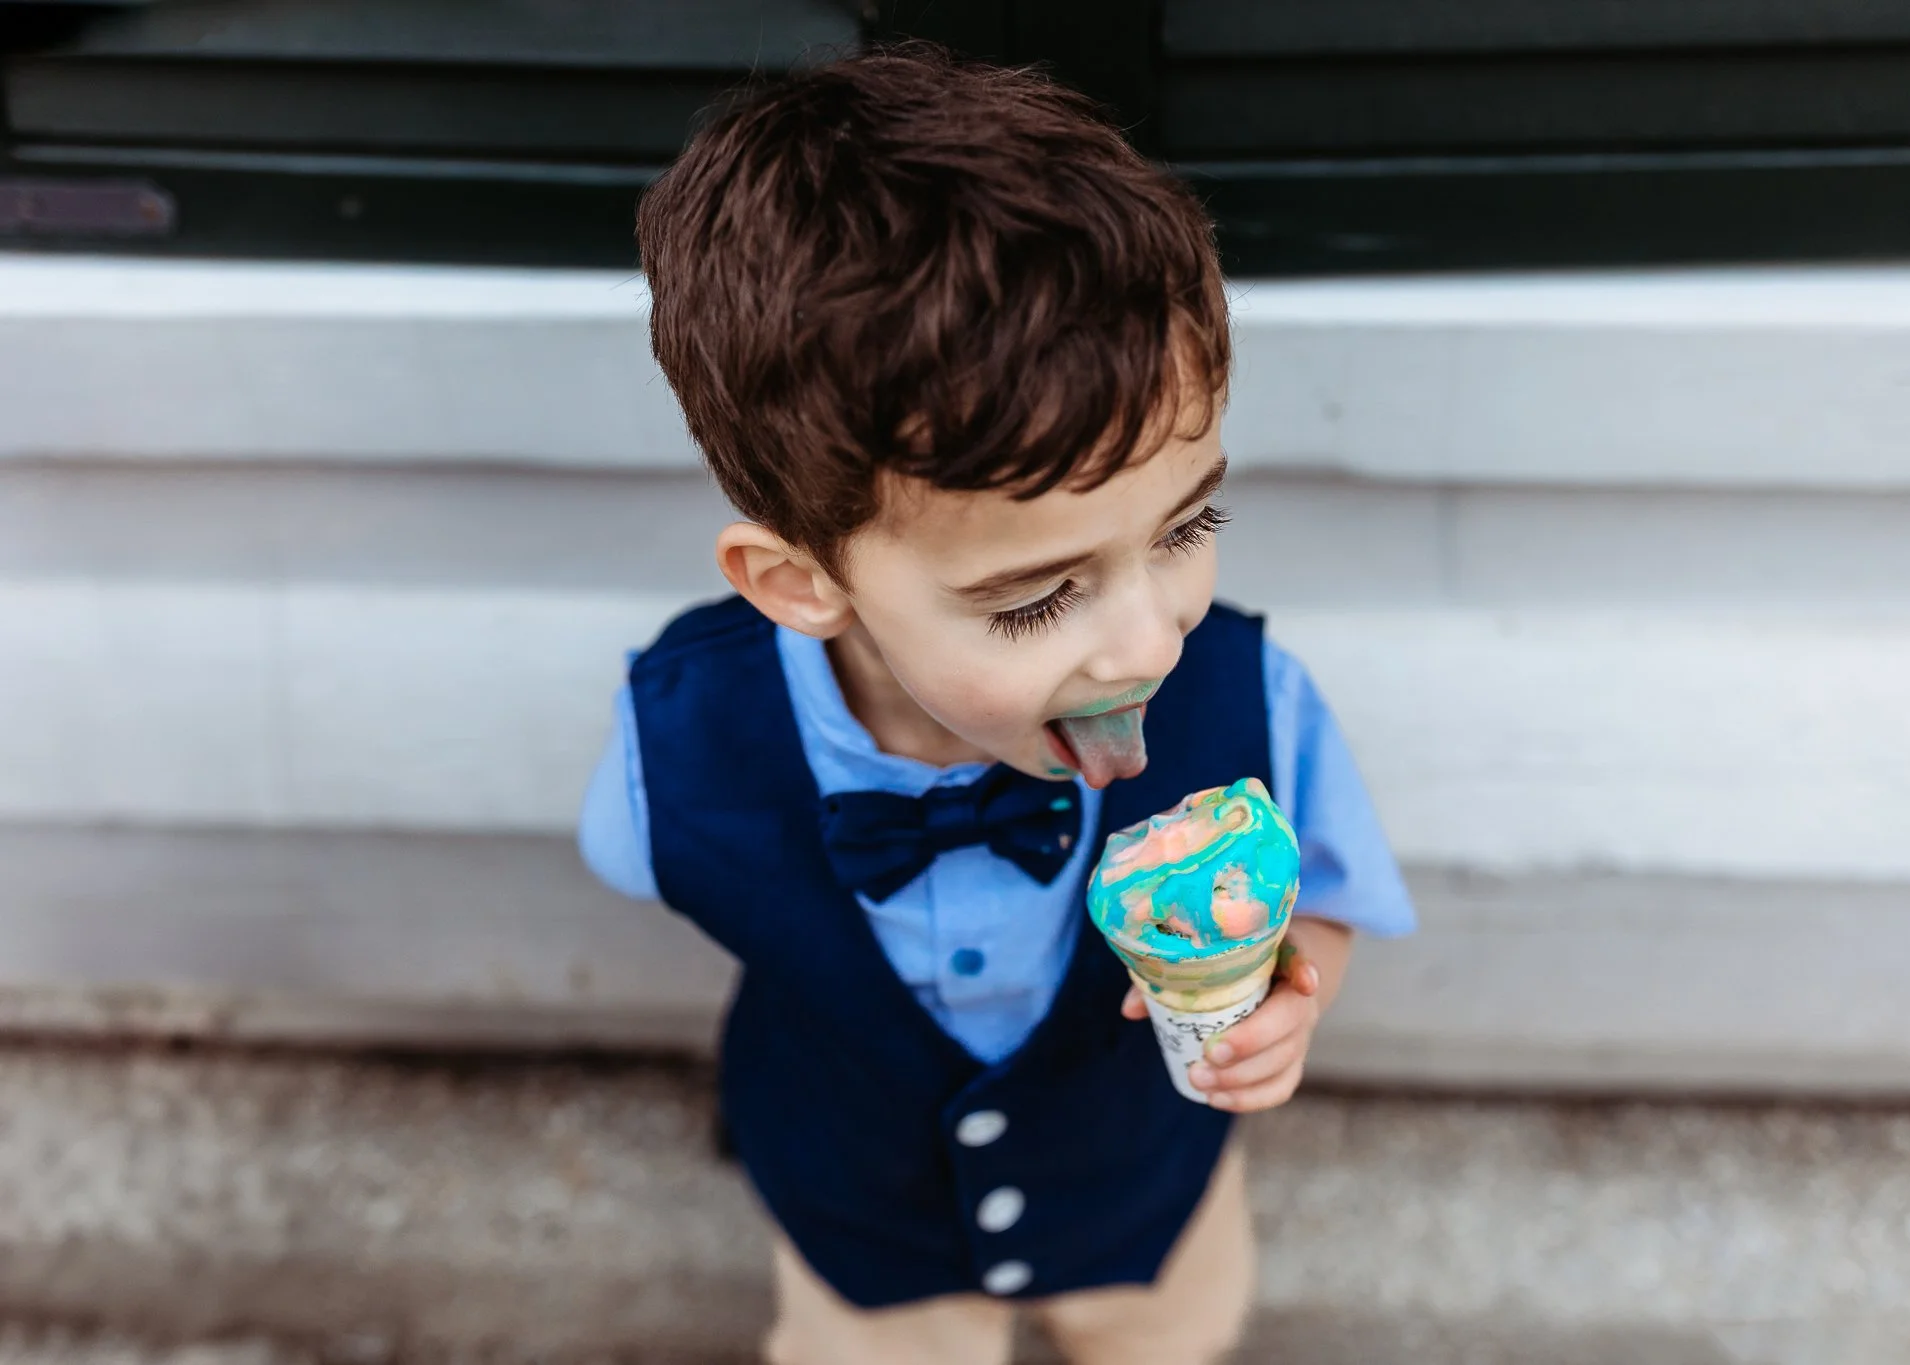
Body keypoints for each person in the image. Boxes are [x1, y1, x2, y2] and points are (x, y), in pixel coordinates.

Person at [577, 44, 1414, 1365]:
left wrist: (1290, 992)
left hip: (1145, 1188)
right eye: (1035, 600)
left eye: (1191, 523)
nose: (1151, 637)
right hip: (862, 1214)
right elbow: (667, 860)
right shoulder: (683, 746)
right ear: (798, 583)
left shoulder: (1256, 702)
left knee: (1166, 1342)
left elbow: (1326, 891)